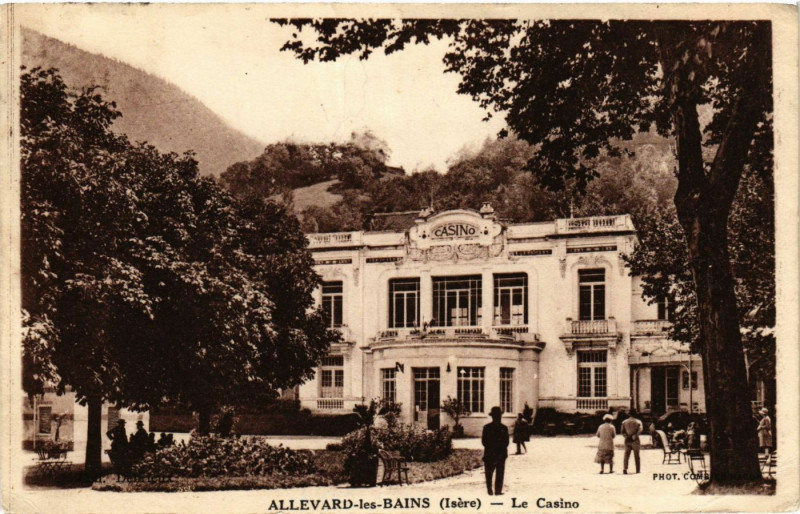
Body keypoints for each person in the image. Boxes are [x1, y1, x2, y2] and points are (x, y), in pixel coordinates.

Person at [482, 406, 509, 495]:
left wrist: (491, 448)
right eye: (498, 416)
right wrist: (499, 449)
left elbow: (484, 442)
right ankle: (497, 490)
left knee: (489, 473)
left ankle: (490, 490)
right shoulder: (504, 428)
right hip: (500, 454)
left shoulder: (487, 427)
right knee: (499, 473)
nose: (499, 417)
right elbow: (506, 442)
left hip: (490, 453)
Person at [621, 409, 643, 474]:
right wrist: (635, 435)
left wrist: (626, 436)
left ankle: (625, 468)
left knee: (626, 455)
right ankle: (637, 469)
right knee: (637, 455)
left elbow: (622, 431)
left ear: (629, 414)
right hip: (635, 439)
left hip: (627, 439)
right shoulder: (638, 422)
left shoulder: (624, 422)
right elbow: (640, 430)